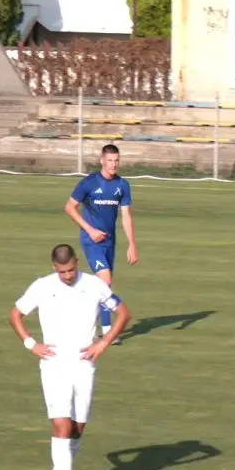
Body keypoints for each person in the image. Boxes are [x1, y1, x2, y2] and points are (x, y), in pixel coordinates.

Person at [9, 244, 131, 470]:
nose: (67, 276)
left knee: (78, 428)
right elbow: (15, 315)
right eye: (62, 271)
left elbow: (123, 313)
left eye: (71, 270)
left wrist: (103, 343)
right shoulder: (42, 286)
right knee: (62, 425)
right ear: (54, 267)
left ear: (77, 262)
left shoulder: (94, 285)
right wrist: (31, 344)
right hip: (53, 365)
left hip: (84, 365)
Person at [65, 144, 139, 341]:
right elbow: (70, 207)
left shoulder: (122, 185)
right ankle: (109, 330)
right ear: (102, 161)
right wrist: (89, 230)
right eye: (110, 161)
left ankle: (90, 320)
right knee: (105, 282)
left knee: (102, 286)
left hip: (110, 242)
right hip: (91, 242)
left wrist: (132, 244)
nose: (113, 165)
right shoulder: (89, 183)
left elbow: (126, 216)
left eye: (116, 161)